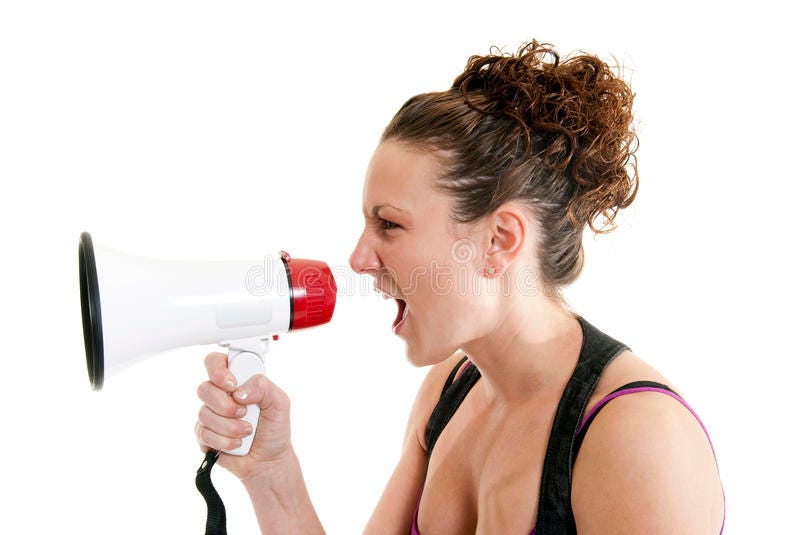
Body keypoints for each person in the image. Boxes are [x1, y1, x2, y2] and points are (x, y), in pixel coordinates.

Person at [194, 39, 725, 534]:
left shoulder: (638, 439)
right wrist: (271, 471)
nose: (357, 259)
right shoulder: (450, 392)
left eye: (390, 224)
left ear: (498, 239)